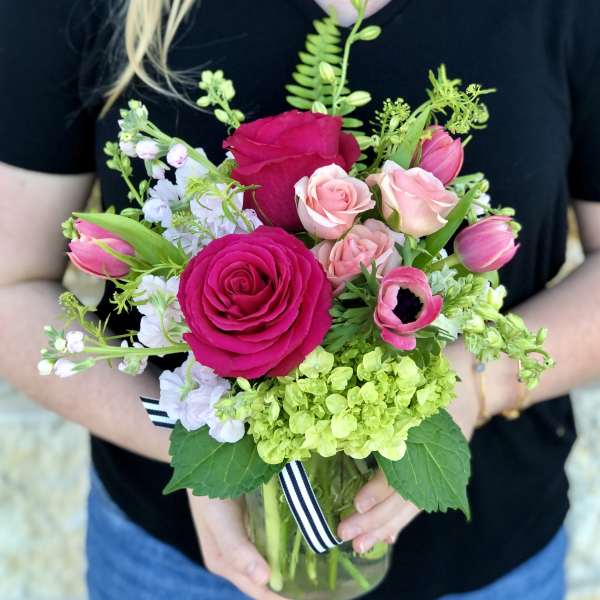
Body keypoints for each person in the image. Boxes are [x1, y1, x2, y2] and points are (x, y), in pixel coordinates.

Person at [1, 1, 599, 599]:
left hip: (486, 567)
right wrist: (203, 438)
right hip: (174, 567)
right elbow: (11, 286)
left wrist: (476, 384)